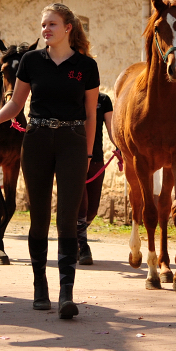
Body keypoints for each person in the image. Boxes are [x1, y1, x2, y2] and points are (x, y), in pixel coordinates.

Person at [0, 3, 99, 319]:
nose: (45, 29)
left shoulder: (87, 66)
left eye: (51, 24)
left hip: (73, 142)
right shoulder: (32, 62)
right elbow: (17, 102)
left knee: (67, 219)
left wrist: (88, 153)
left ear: (68, 28)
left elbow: (90, 114)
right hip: (36, 140)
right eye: (43, 25)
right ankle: (40, 286)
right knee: (39, 219)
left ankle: (66, 293)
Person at [77, 92, 115, 265]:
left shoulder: (103, 100)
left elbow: (111, 127)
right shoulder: (72, 95)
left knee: (92, 209)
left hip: (96, 159)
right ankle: (82, 245)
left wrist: (120, 145)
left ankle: (75, 236)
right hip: (73, 158)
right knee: (81, 205)